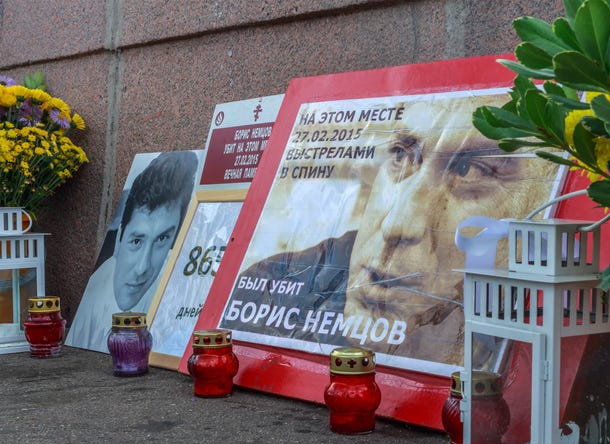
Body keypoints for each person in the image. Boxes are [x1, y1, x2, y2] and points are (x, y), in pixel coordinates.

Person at [220, 94, 561, 367]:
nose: (397, 224)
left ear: (539, 206)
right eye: (401, 155)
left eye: (470, 170)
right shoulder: (269, 288)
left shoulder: (545, 342)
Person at [65, 151, 198, 352]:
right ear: (119, 238)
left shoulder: (178, 294)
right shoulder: (93, 302)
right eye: (136, 241)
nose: (142, 268)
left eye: (162, 239)